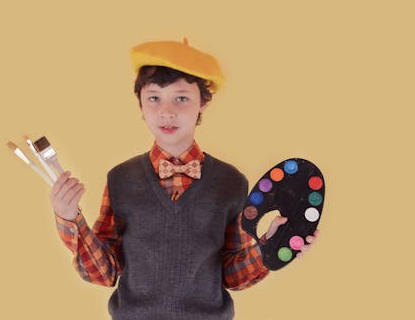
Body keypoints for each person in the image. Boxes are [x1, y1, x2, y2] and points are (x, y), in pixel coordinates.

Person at [50, 38, 319, 320]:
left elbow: (232, 275)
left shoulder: (231, 182)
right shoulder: (120, 179)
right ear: (140, 105)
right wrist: (70, 219)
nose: (167, 111)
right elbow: (104, 273)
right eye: (154, 97)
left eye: (181, 98)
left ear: (202, 102)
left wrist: (270, 247)